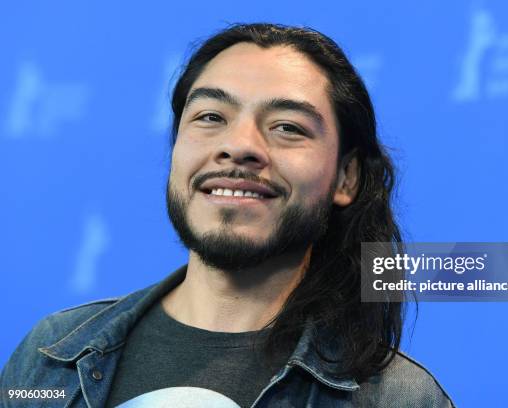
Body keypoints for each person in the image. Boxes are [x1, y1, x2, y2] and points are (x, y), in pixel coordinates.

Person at [1, 24, 454, 407]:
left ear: (346, 178)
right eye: (211, 116)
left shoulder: (396, 397)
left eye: (288, 127)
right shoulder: (51, 356)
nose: (239, 145)